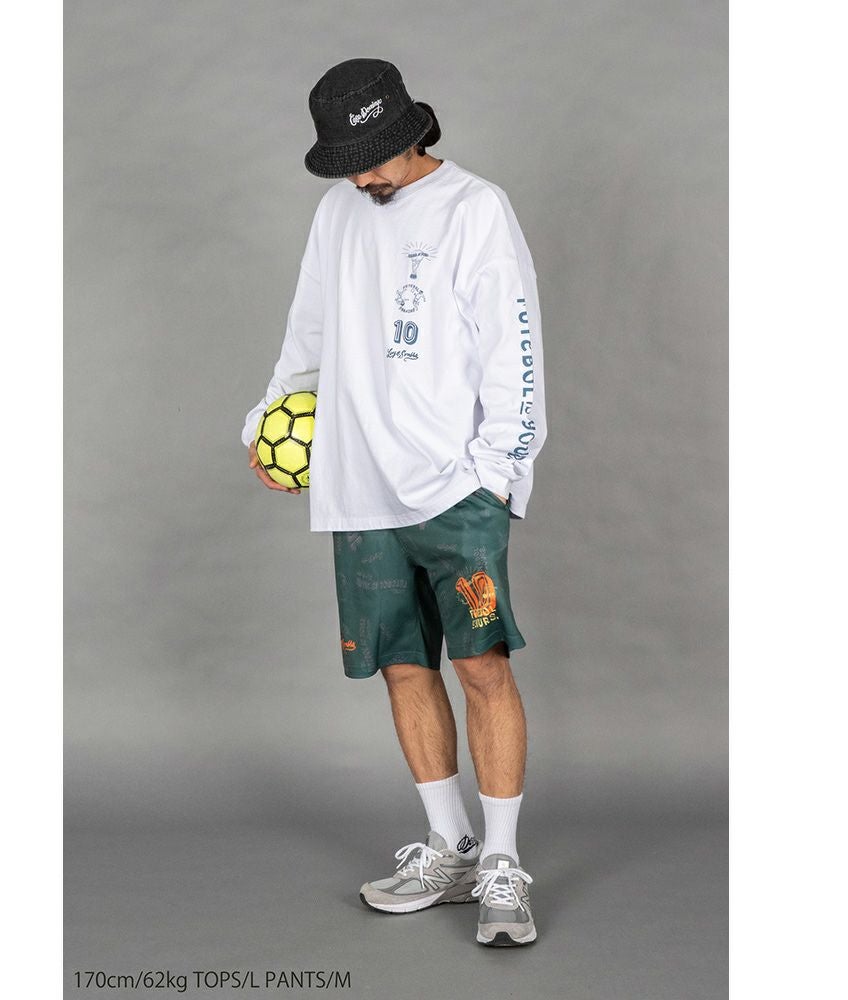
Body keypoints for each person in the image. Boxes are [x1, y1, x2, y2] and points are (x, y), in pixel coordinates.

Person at [241, 58, 546, 947]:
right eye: (345, 163)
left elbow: (515, 346)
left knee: (482, 667)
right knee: (403, 667)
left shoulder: (474, 209)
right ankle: (450, 846)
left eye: (369, 158)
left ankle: (502, 862)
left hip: (456, 487)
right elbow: (307, 334)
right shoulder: (336, 214)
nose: (359, 177)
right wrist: (266, 424)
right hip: (357, 488)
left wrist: (499, 472)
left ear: (411, 133)